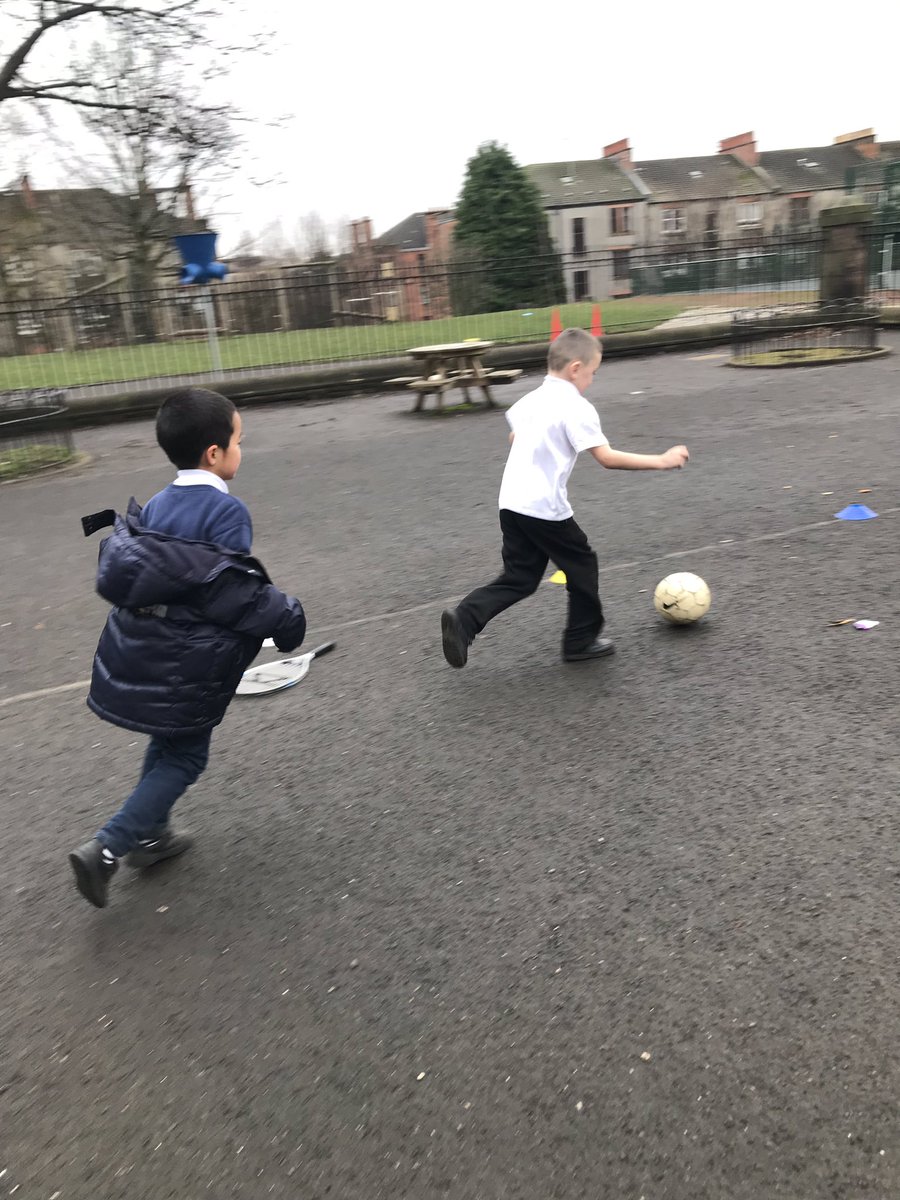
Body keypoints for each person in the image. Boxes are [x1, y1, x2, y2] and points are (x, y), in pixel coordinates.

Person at [69, 387, 307, 908]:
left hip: (146, 649)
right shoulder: (227, 513)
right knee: (187, 757)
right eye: (239, 441)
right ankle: (108, 848)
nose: (243, 450)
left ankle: (151, 837)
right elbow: (232, 593)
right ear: (214, 454)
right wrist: (281, 622)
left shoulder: (154, 503)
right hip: (191, 661)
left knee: (168, 742)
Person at [441, 328, 689, 668]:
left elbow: (516, 437)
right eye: (592, 374)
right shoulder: (576, 406)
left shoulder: (531, 399)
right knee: (582, 565)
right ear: (575, 369)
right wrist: (661, 460)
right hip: (544, 507)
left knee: (521, 578)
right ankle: (580, 640)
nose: (590, 381)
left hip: (511, 503)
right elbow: (607, 458)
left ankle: (465, 619)